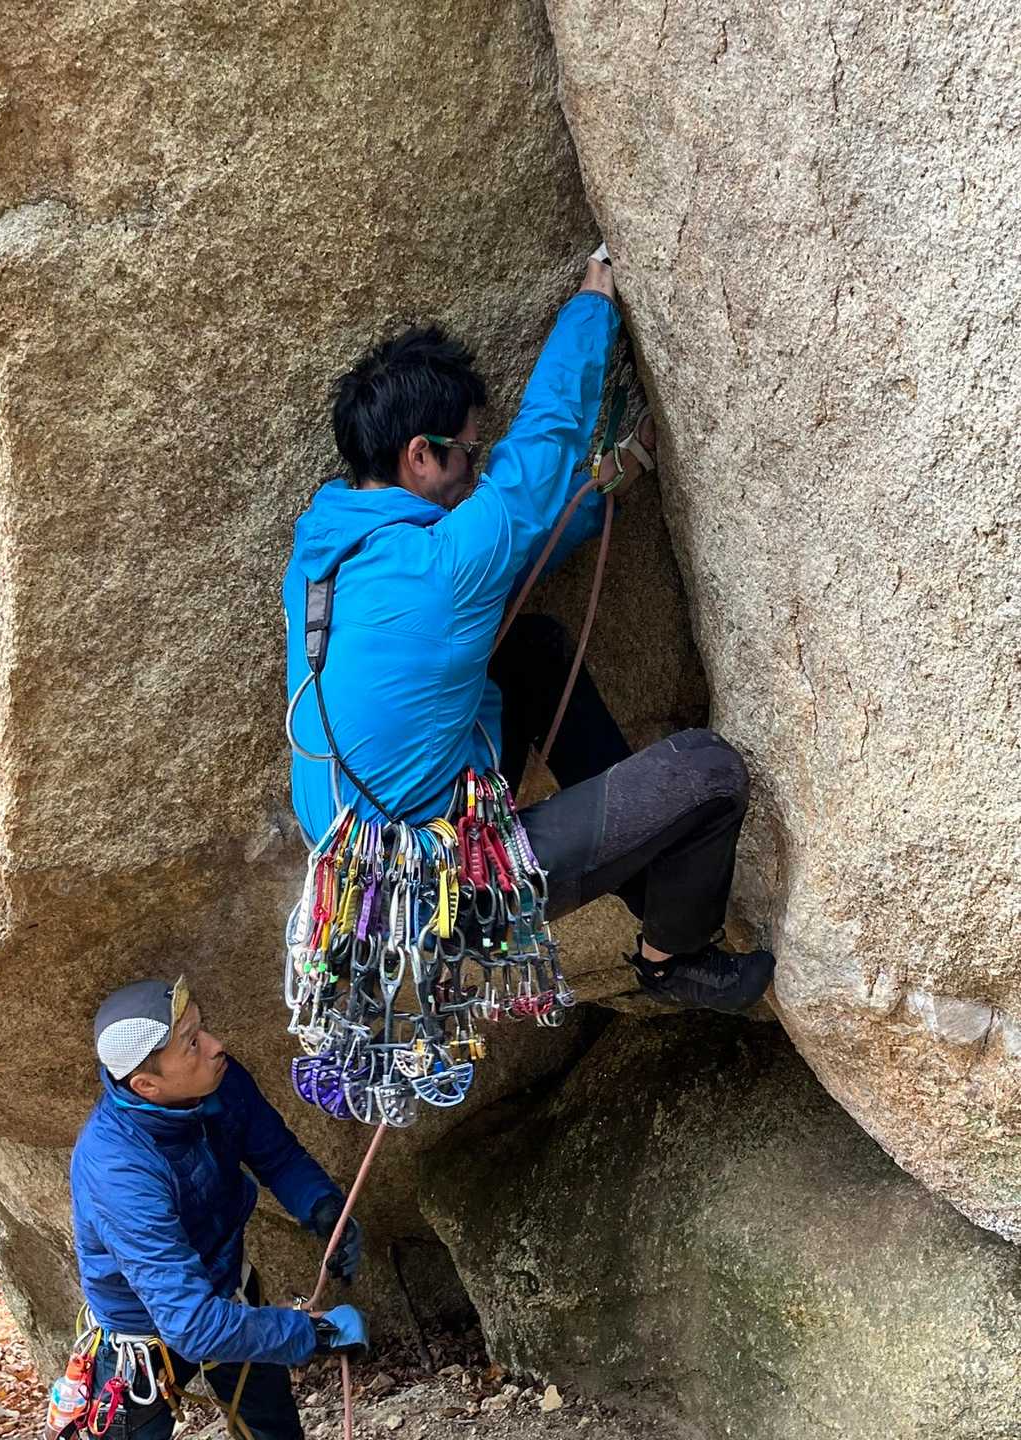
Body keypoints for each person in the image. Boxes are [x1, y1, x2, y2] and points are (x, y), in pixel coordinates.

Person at [283, 254, 774, 1012]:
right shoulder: (443, 566)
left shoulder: (320, 555)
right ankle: (672, 958)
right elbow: (540, 452)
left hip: (361, 884)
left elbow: (490, 572)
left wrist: (596, 497)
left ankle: (654, 876)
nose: (474, 471)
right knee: (709, 772)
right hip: (448, 894)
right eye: (467, 453)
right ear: (420, 454)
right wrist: (593, 304)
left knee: (532, 651)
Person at [69, 976, 367, 1439]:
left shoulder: (217, 1082)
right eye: (192, 1043)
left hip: (227, 1292)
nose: (215, 1045)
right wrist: (308, 1334)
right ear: (147, 1085)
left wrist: (323, 1206)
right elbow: (191, 1324)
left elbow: (276, 1155)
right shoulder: (117, 1169)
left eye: (201, 1027)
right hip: (146, 1334)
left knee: (274, 1430)